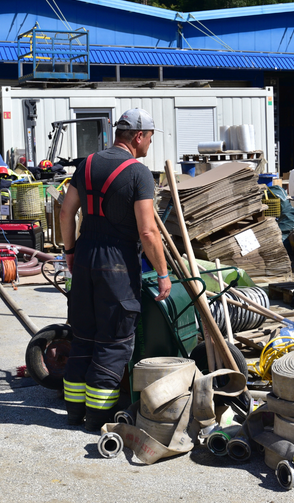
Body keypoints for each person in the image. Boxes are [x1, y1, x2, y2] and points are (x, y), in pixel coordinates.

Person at [59, 108, 171, 431]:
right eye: (149, 138)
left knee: (82, 335)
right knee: (113, 341)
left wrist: (70, 252)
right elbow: (148, 232)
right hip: (117, 264)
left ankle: (73, 412)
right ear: (138, 137)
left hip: (84, 257)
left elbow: (67, 213)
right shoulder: (139, 174)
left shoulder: (87, 164)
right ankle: (97, 417)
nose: (149, 144)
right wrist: (163, 273)